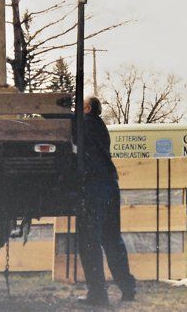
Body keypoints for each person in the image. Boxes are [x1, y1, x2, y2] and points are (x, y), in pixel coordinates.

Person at [76, 96, 136, 306]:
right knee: (112, 239)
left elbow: (65, 125)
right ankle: (128, 288)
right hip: (110, 184)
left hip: (94, 188)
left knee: (89, 241)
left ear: (88, 108)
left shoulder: (84, 123)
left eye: (79, 104)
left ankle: (97, 295)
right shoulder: (100, 126)